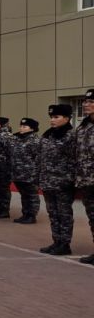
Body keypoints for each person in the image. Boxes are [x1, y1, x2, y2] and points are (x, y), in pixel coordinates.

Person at [38, 104, 76, 256]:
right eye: (51, 117)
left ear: (66, 118)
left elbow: (75, 160)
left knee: (64, 214)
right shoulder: (48, 135)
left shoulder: (71, 136)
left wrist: (70, 180)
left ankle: (65, 244)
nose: (52, 120)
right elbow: (41, 157)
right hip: (48, 181)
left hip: (63, 182)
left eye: (56, 117)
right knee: (53, 214)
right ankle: (57, 242)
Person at [10, 117, 41, 225]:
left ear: (32, 129)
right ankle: (25, 214)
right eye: (21, 126)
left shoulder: (35, 141)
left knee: (32, 195)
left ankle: (32, 216)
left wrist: (35, 173)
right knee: (24, 195)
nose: (21, 128)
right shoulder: (18, 139)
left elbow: (38, 159)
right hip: (18, 173)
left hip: (30, 173)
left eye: (24, 126)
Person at [76, 88, 94, 264]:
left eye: (91, 102)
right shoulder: (83, 126)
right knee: (93, 218)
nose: (86, 104)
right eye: (85, 101)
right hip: (87, 180)